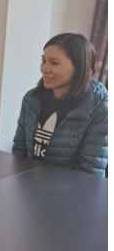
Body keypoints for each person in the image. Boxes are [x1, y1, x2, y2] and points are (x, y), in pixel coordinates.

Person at [12, 33, 107, 176]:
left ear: (79, 67)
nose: (44, 69)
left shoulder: (98, 106)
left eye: (54, 63)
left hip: (71, 188)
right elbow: (19, 150)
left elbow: (91, 170)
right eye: (44, 61)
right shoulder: (31, 98)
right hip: (29, 183)